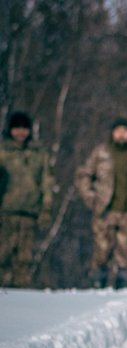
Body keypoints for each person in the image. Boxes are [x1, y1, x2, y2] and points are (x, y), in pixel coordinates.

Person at [76, 118, 127, 288]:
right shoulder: (100, 154)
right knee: (101, 252)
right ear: (112, 133)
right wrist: (91, 198)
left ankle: (123, 292)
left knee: (125, 255)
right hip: (104, 211)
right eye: (118, 131)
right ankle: (97, 288)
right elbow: (84, 175)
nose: (121, 135)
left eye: (125, 131)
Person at [0, 111, 54, 288]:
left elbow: (47, 182)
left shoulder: (38, 154)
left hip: (30, 212)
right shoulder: (3, 152)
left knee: (25, 258)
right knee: (3, 253)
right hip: (6, 211)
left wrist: (46, 209)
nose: (20, 132)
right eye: (17, 128)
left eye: (24, 128)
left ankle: (22, 292)